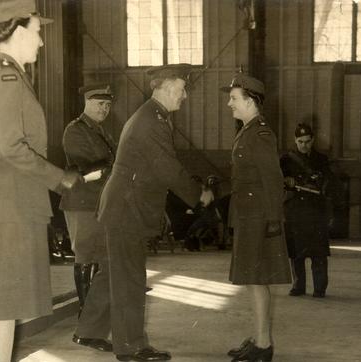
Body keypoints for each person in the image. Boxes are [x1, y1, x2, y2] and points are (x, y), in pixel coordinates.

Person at [75, 64, 211, 362]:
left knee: (114, 270)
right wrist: (198, 194)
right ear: (163, 87)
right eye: (181, 88)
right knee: (130, 278)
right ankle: (131, 346)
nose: (185, 95)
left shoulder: (153, 116)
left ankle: (89, 330)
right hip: (127, 208)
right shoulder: (152, 121)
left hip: (124, 204)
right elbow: (168, 168)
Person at [0, 1, 82, 361]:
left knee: (7, 305)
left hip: (14, 202)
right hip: (9, 204)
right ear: (18, 30)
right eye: (37, 32)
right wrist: (60, 178)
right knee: (4, 305)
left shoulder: (11, 74)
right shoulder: (6, 76)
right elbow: (9, 148)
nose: (41, 41)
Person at [220, 73, 292, 362]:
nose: (229, 104)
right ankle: (260, 338)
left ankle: (263, 345)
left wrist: (274, 223)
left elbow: (272, 180)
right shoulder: (248, 130)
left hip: (259, 219)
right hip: (250, 216)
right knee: (253, 279)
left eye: (234, 99)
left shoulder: (260, 133)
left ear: (250, 101)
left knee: (257, 278)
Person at [60, 84, 116, 318]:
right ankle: (86, 312)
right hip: (81, 201)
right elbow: (85, 164)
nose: (104, 109)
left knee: (97, 254)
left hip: (98, 200)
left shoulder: (100, 131)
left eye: (108, 105)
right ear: (88, 103)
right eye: (100, 104)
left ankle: (93, 309)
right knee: (84, 254)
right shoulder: (75, 130)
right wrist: (113, 167)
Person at [280, 123, 337, 298]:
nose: (304, 145)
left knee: (318, 252)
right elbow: (277, 181)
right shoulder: (286, 160)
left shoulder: (321, 159)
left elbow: (329, 181)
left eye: (307, 141)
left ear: (312, 140)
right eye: (300, 141)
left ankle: (320, 288)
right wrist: (286, 180)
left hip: (316, 211)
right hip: (296, 211)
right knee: (296, 252)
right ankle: (298, 286)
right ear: (294, 140)